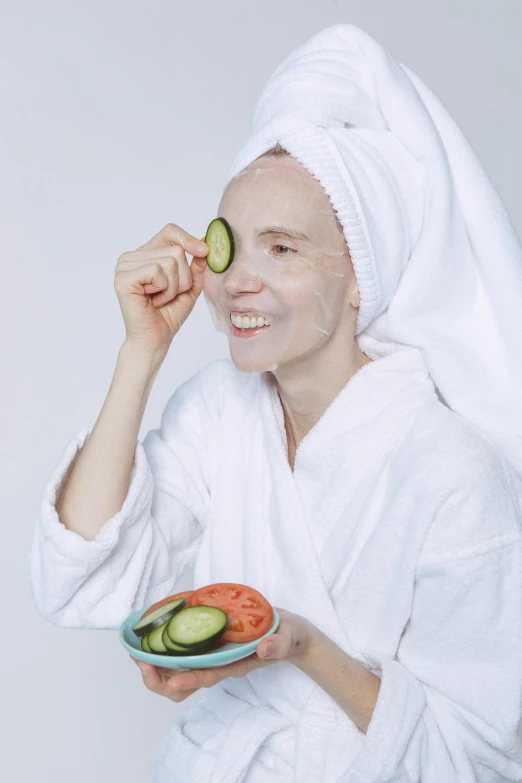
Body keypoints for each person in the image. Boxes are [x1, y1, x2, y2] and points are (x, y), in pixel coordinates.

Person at [29, 23, 522, 783]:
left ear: (361, 276)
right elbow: (82, 578)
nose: (237, 282)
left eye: (283, 248)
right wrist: (142, 354)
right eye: (231, 244)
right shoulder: (218, 413)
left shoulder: (451, 472)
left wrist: (303, 646)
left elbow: (478, 758)